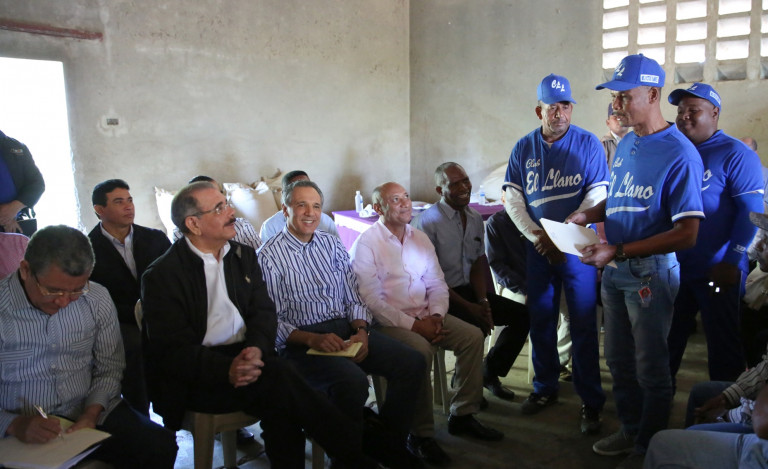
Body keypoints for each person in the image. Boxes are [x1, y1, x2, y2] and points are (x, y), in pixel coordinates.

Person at [141, 181, 378, 468]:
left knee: (281, 393)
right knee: (283, 382)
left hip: (248, 357)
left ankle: (352, 457)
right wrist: (227, 368)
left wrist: (255, 348)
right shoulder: (163, 275)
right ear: (194, 223)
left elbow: (263, 314)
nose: (232, 213)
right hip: (199, 375)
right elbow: (173, 351)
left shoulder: (241, 256)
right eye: (219, 208)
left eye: (227, 204)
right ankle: (357, 458)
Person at [568, 54, 704, 467]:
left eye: (625, 96)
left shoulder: (680, 154)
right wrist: (588, 215)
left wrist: (619, 250)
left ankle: (649, 446)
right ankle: (630, 429)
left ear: (653, 95)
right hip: (615, 269)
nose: (617, 105)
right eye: (615, 97)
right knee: (618, 360)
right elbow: (620, 198)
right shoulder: (628, 143)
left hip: (650, 274)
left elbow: (688, 233)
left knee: (651, 367)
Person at [257, 179, 425, 467]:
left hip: (346, 330)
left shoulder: (331, 244)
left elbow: (353, 295)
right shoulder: (268, 256)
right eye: (301, 205)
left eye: (316, 206)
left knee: (412, 363)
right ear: (285, 210)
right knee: (352, 382)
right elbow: (272, 320)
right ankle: (347, 458)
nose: (310, 213)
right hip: (302, 344)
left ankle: (388, 444)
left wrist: (361, 330)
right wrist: (312, 339)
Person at [351, 182, 503, 467]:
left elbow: (436, 283)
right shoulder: (367, 243)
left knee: (472, 336)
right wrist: (415, 326)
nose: (405, 203)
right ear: (378, 208)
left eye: (406, 197)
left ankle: (463, 414)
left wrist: (436, 315)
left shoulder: (419, 237)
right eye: (395, 199)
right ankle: (420, 435)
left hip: (427, 314)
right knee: (419, 352)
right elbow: (371, 301)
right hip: (390, 322)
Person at [0, 225, 177, 468]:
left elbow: (110, 367)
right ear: (25, 270)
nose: (64, 302)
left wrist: (91, 412)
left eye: (76, 290)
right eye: (52, 290)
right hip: (18, 424)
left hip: (88, 409)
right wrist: (13, 423)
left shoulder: (96, 298)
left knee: (158, 445)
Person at [502, 73, 607, 434]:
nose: (559, 112)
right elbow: (513, 199)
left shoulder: (588, 143)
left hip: (578, 248)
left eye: (565, 105)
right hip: (539, 249)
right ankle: (544, 388)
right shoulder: (523, 148)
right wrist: (537, 235)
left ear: (571, 109)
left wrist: (560, 235)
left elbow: (597, 194)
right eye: (552, 107)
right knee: (541, 320)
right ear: (539, 111)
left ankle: (591, 400)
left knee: (583, 323)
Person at [666, 83, 764, 384]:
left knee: (723, 345)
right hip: (674, 269)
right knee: (667, 341)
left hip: (718, 269)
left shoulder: (736, 154)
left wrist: (732, 261)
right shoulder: (674, 152)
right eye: (681, 111)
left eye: (693, 110)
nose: (684, 116)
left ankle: (725, 407)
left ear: (714, 113)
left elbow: (750, 212)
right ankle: (658, 403)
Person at [413, 162, 529, 401]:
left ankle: (488, 372)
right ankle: (465, 383)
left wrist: (483, 301)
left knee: (523, 316)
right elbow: (429, 278)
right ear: (440, 190)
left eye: (465, 180)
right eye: (454, 184)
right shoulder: (427, 223)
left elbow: (477, 263)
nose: (464, 187)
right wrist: (471, 309)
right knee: (475, 326)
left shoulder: (475, 218)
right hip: (438, 297)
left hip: (467, 291)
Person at [88, 179, 171, 416]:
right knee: (133, 346)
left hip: (159, 314)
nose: (128, 207)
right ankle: (140, 416)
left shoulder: (155, 238)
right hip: (118, 320)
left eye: (130, 200)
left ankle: (184, 411)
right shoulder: (88, 247)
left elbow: (173, 280)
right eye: (119, 202)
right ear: (99, 209)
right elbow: (91, 297)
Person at [485, 193, 573, 381]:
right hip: (516, 285)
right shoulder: (496, 223)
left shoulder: (539, 218)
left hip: (546, 280)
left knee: (575, 311)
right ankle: (542, 370)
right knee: (537, 313)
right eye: (512, 198)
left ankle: (558, 361)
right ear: (503, 200)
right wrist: (526, 288)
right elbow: (497, 265)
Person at [644, 385, 768, 469]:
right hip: (757, 432)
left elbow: (762, 424)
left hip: (760, 449)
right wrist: (725, 398)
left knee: (664, 444)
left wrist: (729, 413)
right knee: (699, 393)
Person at [172, 175, 262, 251]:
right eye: (218, 208)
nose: (232, 211)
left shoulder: (242, 226)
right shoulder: (181, 235)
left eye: (220, 192)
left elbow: (260, 257)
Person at [259, 170, 339, 242]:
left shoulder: (326, 221)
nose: (310, 213)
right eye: (301, 205)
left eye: (308, 186)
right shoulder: (270, 227)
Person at [0, 130, 44, 235]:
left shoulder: (16, 147)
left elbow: (37, 183)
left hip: (19, 223)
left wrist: (13, 208)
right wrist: (4, 217)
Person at [601, 103, 629, 168]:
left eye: (623, 115)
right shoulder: (603, 145)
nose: (619, 119)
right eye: (615, 116)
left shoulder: (636, 143)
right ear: (608, 123)